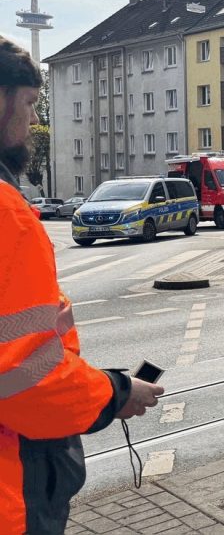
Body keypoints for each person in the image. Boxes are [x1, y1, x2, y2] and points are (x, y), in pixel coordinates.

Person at [0, 35, 165, 533]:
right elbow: (23, 379)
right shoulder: (7, 215)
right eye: (29, 103)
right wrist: (116, 392)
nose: (34, 121)